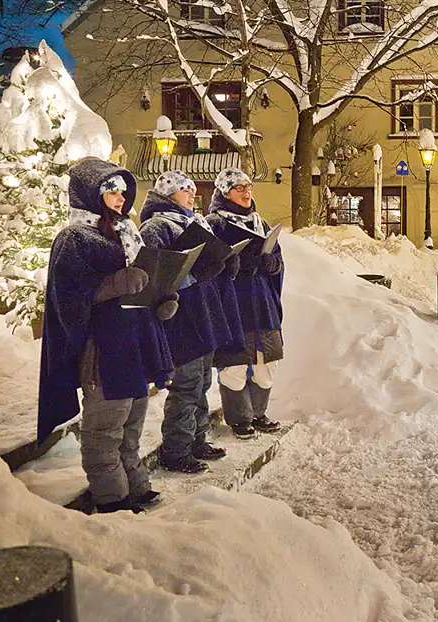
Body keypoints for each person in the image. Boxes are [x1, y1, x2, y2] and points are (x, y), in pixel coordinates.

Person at [38, 157, 178, 514]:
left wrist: (158, 299)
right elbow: (66, 299)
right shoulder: (74, 238)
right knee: (103, 433)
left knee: (131, 426)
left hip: (135, 345)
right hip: (104, 352)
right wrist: (112, 285)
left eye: (122, 189)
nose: (120, 196)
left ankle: (136, 487)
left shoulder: (126, 230)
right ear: (89, 193)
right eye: (110, 189)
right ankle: (112, 499)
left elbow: (139, 282)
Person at [140, 170, 236, 474]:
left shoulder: (195, 221)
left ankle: (197, 440)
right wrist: (195, 272)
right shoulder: (156, 226)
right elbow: (156, 274)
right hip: (181, 315)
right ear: (168, 195)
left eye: (193, 189)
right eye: (185, 190)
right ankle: (176, 451)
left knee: (203, 382)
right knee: (187, 385)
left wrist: (225, 261)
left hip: (204, 310)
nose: (192, 194)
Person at [208, 168, 284, 438]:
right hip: (234, 307)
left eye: (248, 186)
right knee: (234, 365)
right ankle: (239, 418)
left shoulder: (260, 223)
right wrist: (237, 267)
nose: (246, 191)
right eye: (238, 187)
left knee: (266, 363)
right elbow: (209, 268)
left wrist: (271, 264)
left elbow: (278, 261)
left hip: (263, 307)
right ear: (225, 192)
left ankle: (258, 413)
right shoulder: (214, 224)